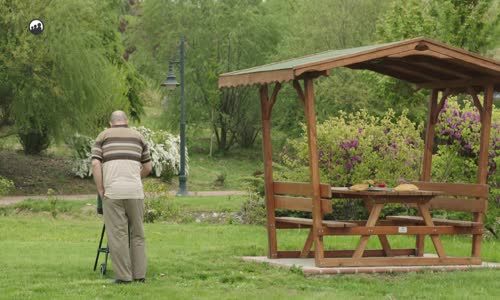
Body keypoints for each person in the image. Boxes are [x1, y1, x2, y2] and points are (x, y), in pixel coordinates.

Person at [91, 110, 152, 284]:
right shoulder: (139, 137)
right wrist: (133, 178)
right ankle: (139, 275)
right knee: (138, 234)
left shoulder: (103, 136)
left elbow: (96, 163)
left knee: (118, 235)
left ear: (111, 123)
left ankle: (124, 277)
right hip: (135, 192)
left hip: (113, 192)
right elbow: (148, 167)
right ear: (126, 121)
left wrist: (100, 188)